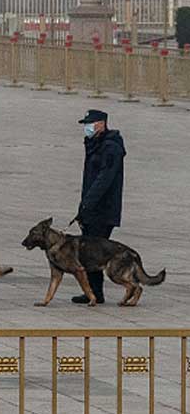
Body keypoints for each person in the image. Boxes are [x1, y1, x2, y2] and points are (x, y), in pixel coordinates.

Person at [72, 109, 126, 304]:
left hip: (103, 210)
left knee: (94, 251)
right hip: (91, 208)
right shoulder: (95, 144)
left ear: (102, 123)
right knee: (90, 251)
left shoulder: (111, 147)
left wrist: (87, 204)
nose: (86, 127)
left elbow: (104, 179)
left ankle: (96, 292)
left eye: (90, 123)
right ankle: (93, 292)